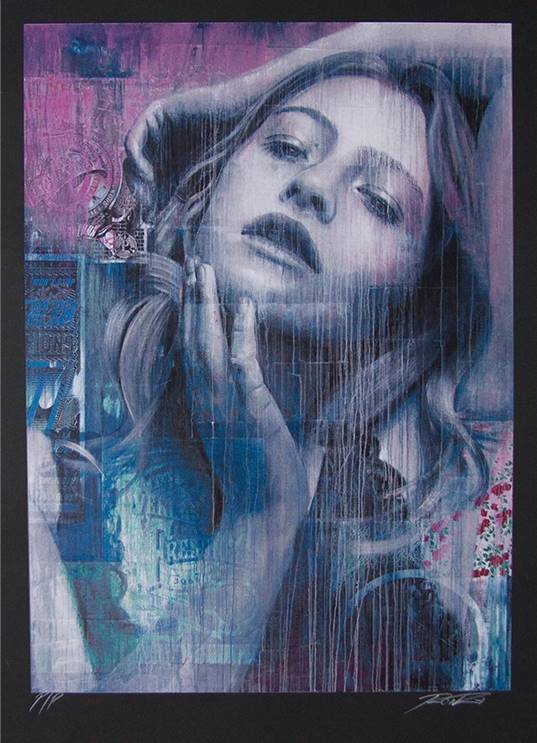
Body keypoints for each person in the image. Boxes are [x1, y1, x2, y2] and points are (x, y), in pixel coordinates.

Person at [28, 25, 511, 693]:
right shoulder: (44, 491)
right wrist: (259, 521)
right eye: (285, 145)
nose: (311, 186)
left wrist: (231, 94)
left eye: (379, 200)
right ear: (205, 190)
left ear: (416, 301)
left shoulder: (404, 574)